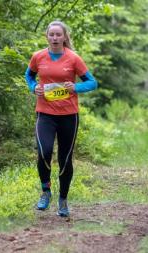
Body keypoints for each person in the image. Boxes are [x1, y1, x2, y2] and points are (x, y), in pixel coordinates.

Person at [25, 20, 98, 217]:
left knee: (65, 158)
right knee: (44, 151)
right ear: (47, 36)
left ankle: (63, 199)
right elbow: (29, 77)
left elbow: (92, 83)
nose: (55, 38)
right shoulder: (38, 57)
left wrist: (76, 87)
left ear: (65, 37)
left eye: (59, 35)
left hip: (68, 115)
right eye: (52, 35)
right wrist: (34, 88)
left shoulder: (73, 59)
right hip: (45, 113)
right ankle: (45, 191)